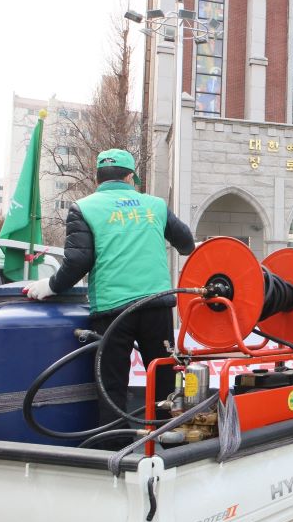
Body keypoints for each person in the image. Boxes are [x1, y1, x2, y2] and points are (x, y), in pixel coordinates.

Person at [25, 149, 195, 435]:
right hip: (156, 306)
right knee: (163, 375)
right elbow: (187, 244)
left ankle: (114, 446)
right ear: (130, 177)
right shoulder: (154, 205)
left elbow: (78, 261)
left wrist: (49, 286)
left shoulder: (84, 207)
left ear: (98, 177)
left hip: (112, 310)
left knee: (112, 383)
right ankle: (166, 438)